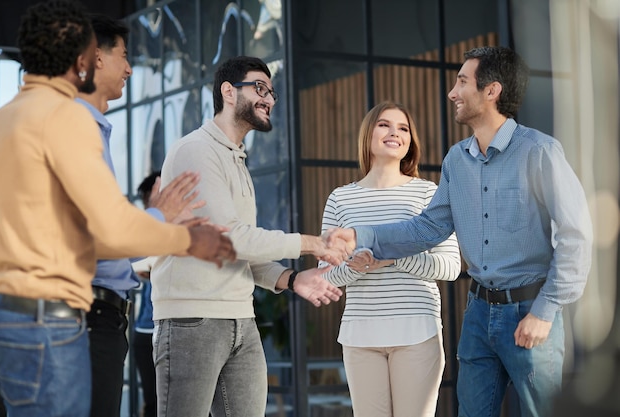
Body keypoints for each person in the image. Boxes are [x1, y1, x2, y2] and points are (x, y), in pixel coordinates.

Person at [0, 2, 236, 416]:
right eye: (120, 55)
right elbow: (108, 230)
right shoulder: (64, 117)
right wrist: (187, 237)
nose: (127, 67)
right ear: (86, 58)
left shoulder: (6, 119)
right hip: (54, 318)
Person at [326, 46, 593, 417]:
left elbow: (575, 237)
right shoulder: (456, 159)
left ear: (491, 91)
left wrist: (545, 311)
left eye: (462, 82)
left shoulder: (540, 152)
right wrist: (362, 236)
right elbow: (428, 227)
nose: (452, 93)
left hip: (531, 307)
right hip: (479, 313)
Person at [151, 55, 345, 417]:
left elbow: (239, 252)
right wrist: (312, 243)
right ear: (228, 91)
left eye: (271, 92)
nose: (269, 99)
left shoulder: (236, 159)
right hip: (192, 321)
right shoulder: (197, 151)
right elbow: (234, 239)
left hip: (241, 319)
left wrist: (291, 278)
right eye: (259, 88)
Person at [75, 14, 206, 417]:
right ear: (97, 56)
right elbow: (94, 235)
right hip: (86, 318)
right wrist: (159, 218)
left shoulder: (91, 127)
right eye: (124, 56)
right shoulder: (77, 126)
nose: (130, 68)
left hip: (98, 317)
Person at [319, 101, 461, 417]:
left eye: (403, 128)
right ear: (368, 134)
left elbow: (451, 266)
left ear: (410, 142)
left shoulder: (428, 193)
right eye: (384, 124)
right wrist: (355, 268)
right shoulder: (340, 199)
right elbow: (325, 275)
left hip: (417, 333)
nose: (394, 132)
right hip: (360, 336)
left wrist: (394, 260)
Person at [131, 172, 162, 417]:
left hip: (175, 329)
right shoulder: (147, 228)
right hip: (146, 332)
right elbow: (137, 265)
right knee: (153, 404)